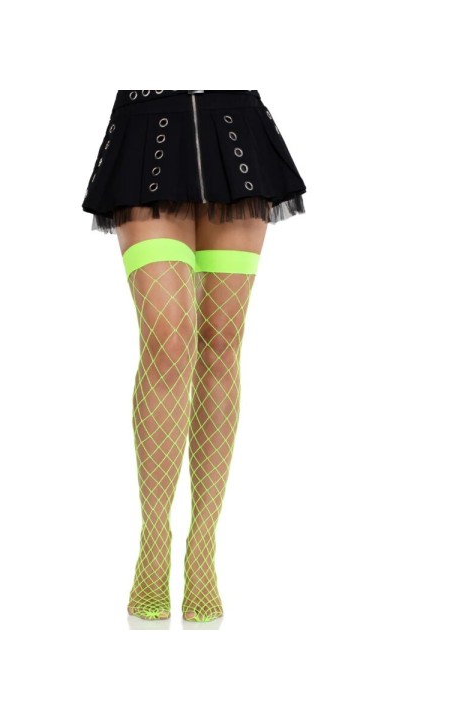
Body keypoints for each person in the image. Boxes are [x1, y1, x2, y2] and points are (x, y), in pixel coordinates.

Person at [82, 90, 307, 622]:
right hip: (150, 131)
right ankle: (154, 539)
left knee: (222, 341)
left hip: (234, 132)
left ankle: (202, 546)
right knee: (167, 339)